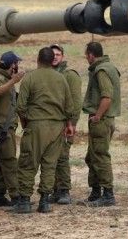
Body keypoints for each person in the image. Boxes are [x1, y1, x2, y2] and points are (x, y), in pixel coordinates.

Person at [15, 47, 74, 214]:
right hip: (57, 127)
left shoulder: (30, 77)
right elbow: (69, 107)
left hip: (36, 125)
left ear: (38, 60)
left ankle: (25, 201)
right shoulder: (61, 79)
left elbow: (20, 105)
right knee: (50, 165)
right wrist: (68, 124)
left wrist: (26, 121)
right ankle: (44, 201)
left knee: (28, 163)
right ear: (52, 60)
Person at [83, 42, 121, 207]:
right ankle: (96, 192)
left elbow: (107, 96)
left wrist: (97, 116)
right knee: (92, 156)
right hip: (106, 119)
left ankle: (108, 194)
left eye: (86, 55)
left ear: (91, 55)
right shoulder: (109, 67)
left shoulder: (101, 70)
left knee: (99, 156)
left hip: (102, 120)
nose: (86, 58)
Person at [49, 44, 82, 205]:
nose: (55, 56)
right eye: (52, 54)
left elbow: (75, 101)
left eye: (58, 54)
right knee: (50, 158)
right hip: (49, 124)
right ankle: (55, 190)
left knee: (62, 157)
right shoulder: (46, 74)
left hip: (64, 123)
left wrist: (73, 123)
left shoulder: (69, 75)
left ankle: (64, 190)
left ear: (63, 56)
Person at [0, 51, 25, 207]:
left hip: (6, 128)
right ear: (12, 65)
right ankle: (16, 197)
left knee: (1, 163)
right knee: (10, 162)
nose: (17, 66)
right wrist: (14, 81)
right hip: (2, 129)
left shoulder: (5, 79)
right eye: (16, 63)